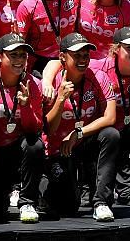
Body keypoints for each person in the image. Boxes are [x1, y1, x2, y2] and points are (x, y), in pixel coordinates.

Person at [43, 27, 130, 217]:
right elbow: (54, 63)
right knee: (67, 207)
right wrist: (52, 88)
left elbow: (116, 118)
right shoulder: (98, 68)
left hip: (101, 135)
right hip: (63, 146)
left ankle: (126, 199)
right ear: (116, 50)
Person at [43, 33, 118, 221]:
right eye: (77, 55)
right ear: (62, 57)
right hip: (57, 149)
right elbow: (49, 129)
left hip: (83, 142)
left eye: (86, 55)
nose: (83, 60)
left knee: (111, 135)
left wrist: (78, 132)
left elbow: (110, 117)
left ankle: (101, 203)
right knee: (66, 208)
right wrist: (60, 99)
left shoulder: (99, 77)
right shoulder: (50, 82)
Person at [0, 33, 44, 223]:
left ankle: (27, 202)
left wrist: (25, 107)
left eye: (23, 56)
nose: (20, 60)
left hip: (18, 151)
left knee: (35, 145)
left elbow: (34, 129)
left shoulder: (33, 84)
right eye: (14, 55)